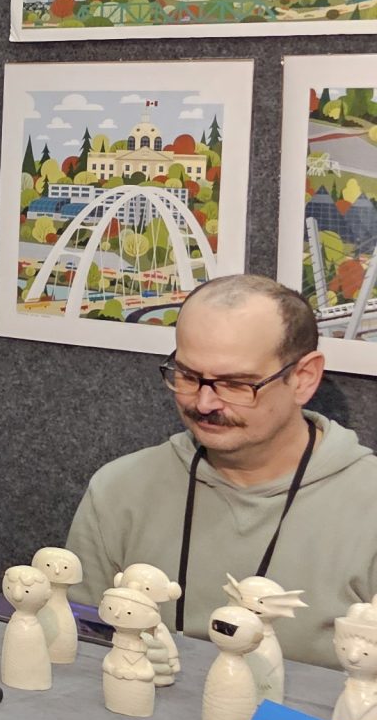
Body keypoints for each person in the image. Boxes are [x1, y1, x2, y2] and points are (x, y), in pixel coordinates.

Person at [65, 274, 377, 670]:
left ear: (303, 378)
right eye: (188, 376)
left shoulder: (367, 504)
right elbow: (80, 649)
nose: (204, 403)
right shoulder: (119, 489)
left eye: (235, 384)